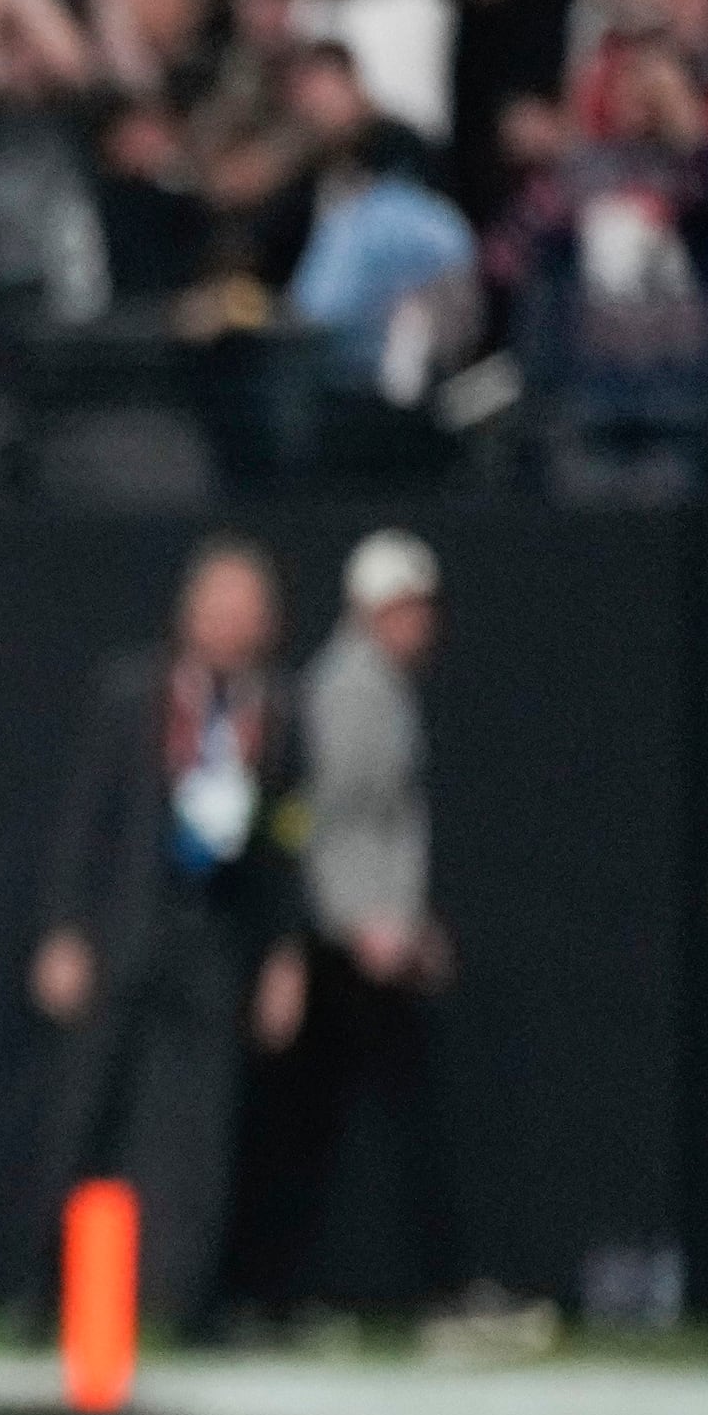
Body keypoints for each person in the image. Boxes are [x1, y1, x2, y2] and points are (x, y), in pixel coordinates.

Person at [26, 536, 308, 1341]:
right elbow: (87, 819)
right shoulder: (133, 697)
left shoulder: (278, 714)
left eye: (245, 608)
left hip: (217, 930)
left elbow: (288, 841)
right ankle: (45, 1293)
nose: (228, 622)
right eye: (216, 604)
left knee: (206, 1127)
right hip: (127, 923)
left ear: (268, 622)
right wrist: (65, 929)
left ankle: (196, 1301)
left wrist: (284, 953)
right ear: (188, 613)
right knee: (88, 1112)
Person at [228, 533, 474, 1330]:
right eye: (406, 608)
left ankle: (278, 1296)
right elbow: (315, 819)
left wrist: (405, 919)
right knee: (360, 1118)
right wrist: (360, 925)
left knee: (320, 1121)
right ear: (375, 610)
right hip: (346, 942)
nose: (421, 623)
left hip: (362, 934)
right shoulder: (351, 691)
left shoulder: (379, 685)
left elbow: (378, 828)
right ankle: (434, 1292)